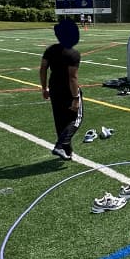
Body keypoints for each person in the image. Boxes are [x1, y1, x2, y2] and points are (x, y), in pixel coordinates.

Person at [40, 20, 83, 160]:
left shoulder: (50, 50)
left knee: (60, 121)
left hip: (54, 89)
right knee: (76, 119)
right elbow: (72, 78)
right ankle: (60, 146)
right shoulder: (73, 54)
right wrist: (76, 98)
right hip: (68, 91)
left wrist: (44, 88)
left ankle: (67, 151)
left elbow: (43, 69)